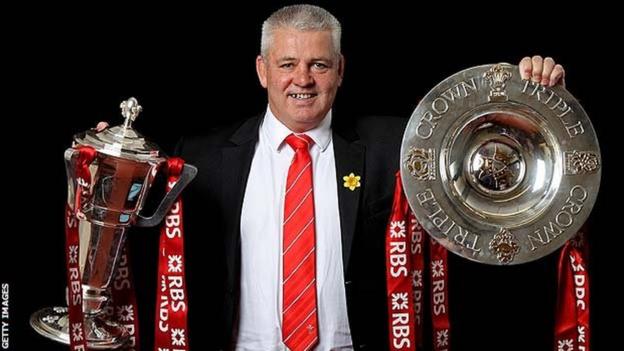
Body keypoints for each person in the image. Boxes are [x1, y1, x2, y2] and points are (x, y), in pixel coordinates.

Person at [102, 4, 566, 350]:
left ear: (339, 70)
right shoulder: (202, 155)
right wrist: (102, 171)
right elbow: (137, 236)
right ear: (263, 71)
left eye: (318, 65)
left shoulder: (398, 146)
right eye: (287, 64)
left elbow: (482, 178)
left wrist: (537, 105)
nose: (302, 79)